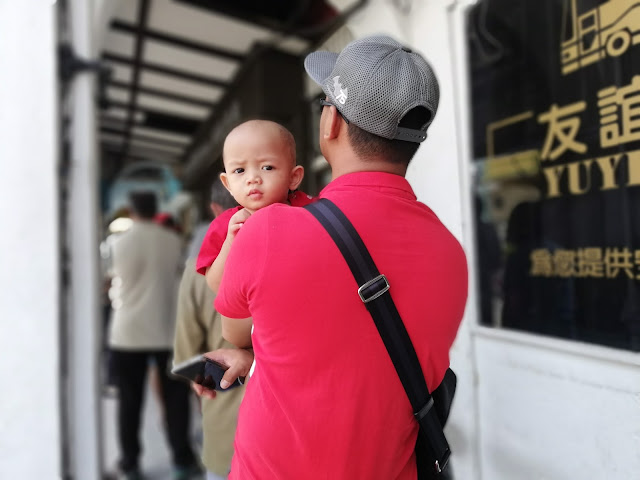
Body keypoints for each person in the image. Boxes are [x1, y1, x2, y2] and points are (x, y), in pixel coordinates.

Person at [195, 34, 469, 479]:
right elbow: (367, 364)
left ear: (331, 124)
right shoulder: (451, 254)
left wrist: (252, 353)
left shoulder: (268, 230)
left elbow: (236, 328)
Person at [107, 191, 200, 480]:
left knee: (129, 401)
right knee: (175, 399)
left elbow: (105, 280)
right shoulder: (172, 241)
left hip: (127, 333)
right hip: (166, 330)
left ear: (131, 211)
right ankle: (183, 460)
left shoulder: (116, 243)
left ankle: (130, 463)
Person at [173, 180, 245, 480]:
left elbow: (187, 357)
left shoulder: (196, 271)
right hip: (287, 426)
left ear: (216, 210)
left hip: (226, 429)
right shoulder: (291, 256)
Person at [195, 119, 314, 293]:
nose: (252, 178)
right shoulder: (226, 226)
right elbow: (217, 285)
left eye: (267, 167)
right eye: (239, 171)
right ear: (227, 184)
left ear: (293, 177)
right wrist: (231, 241)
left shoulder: (311, 211)